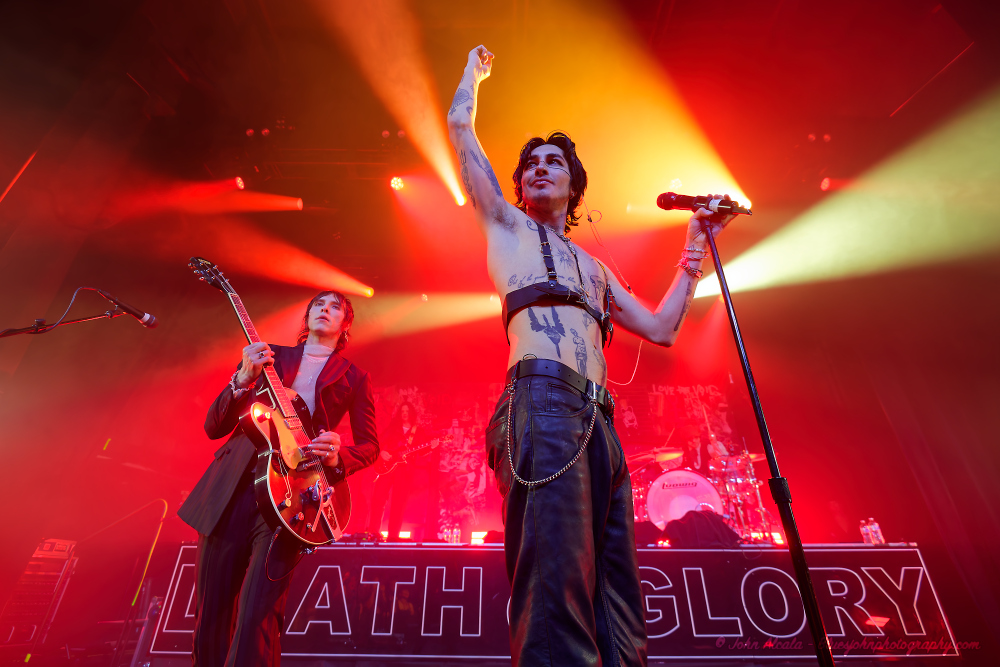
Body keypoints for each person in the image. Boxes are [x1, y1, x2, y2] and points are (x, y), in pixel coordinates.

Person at [446, 45, 735, 666]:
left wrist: (695, 245)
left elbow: (660, 329)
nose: (541, 169)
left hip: (598, 422)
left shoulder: (597, 269)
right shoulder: (505, 225)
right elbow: (459, 130)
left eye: (555, 162)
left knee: (616, 597)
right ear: (518, 184)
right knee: (556, 582)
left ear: (575, 184)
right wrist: (475, 74)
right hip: (540, 401)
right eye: (531, 165)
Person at [178, 291, 379, 667]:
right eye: (318, 304)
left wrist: (338, 456)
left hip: (291, 498)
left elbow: (370, 446)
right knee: (211, 615)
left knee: (259, 614)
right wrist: (242, 377)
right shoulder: (269, 356)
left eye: (335, 306)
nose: (325, 309)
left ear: (345, 324)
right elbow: (213, 426)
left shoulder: (354, 377)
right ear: (306, 316)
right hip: (232, 490)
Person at [366, 401, 426, 540]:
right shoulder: (393, 428)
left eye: (407, 411)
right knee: (379, 499)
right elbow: (379, 441)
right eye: (402, 411)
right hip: (387, 468)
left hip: (404, 470)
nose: (404, 414)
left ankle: (393, 536)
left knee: (399, 503)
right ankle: (373, 533)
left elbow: (422, 450)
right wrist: (381, 453)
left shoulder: (418, 432)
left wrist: (432, 446)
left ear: (411, 413)